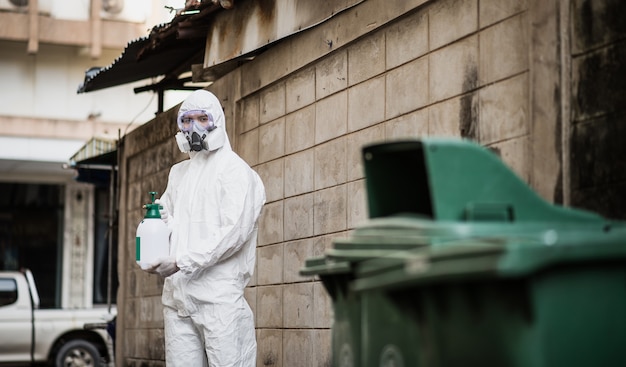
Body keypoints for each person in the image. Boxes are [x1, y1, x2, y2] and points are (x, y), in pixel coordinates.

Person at [146, 89, 266, 367]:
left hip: (218, 300)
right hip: (178, 300)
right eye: (186, 121)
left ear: (217, 122)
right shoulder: (179, 174)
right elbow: (166, 220)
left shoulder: (235, 172)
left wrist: (180, 261)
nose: (193, 127)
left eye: (202, 118)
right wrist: (155, 223)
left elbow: (232, 234)